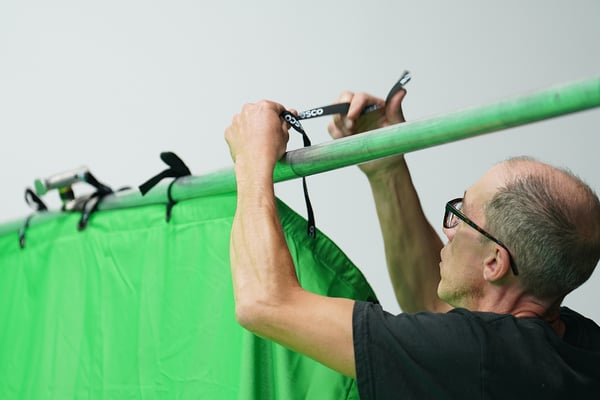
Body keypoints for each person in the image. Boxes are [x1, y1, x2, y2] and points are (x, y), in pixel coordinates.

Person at [224, 88, 600, 399]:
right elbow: (430, 303)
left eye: (462, 215)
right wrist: (386, 168)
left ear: (494, 263)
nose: (449, 230)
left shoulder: (477, 355)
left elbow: (265, 303)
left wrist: (252, 160)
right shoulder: (573, 344)